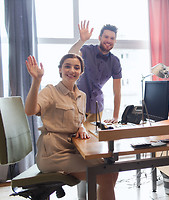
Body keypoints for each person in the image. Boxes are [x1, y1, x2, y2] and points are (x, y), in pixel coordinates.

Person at [24, 54, 118, 199]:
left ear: (81, 72)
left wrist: (81, 127)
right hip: (53, 155)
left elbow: (77, 119)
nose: (72, 70)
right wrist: (37, 81)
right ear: (60, 70)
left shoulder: (82, 95)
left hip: (73, 150)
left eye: (76, 67)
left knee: (112, 169)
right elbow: (30, 111)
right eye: (67, 66)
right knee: (105, 176)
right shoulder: (50, 91)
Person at [69, 20, 122, 124]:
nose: (109, 40)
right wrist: (81, 40)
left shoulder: (115, 62)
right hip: (77, 105)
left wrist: (115, 117)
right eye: (106, 37)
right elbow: (70, 56)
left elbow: (117, 92)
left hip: (97, 108)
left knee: (93, 139)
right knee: (75, 138)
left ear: (115, 41)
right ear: (100, 37)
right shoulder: (86, 50)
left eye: (112, 38)